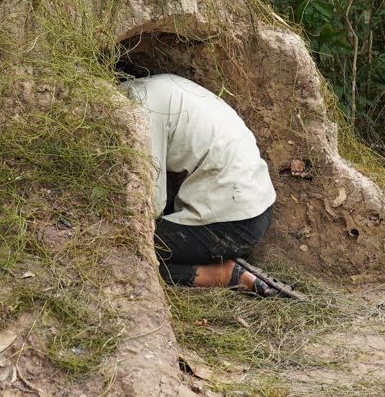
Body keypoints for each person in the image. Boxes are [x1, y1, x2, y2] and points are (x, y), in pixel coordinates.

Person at [121, 73, 301, 299]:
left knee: (124, 250)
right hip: (257, 210)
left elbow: (150, 205)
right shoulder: (158, 87)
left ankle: (222, 274)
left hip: (227, 226)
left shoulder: (138, 109)